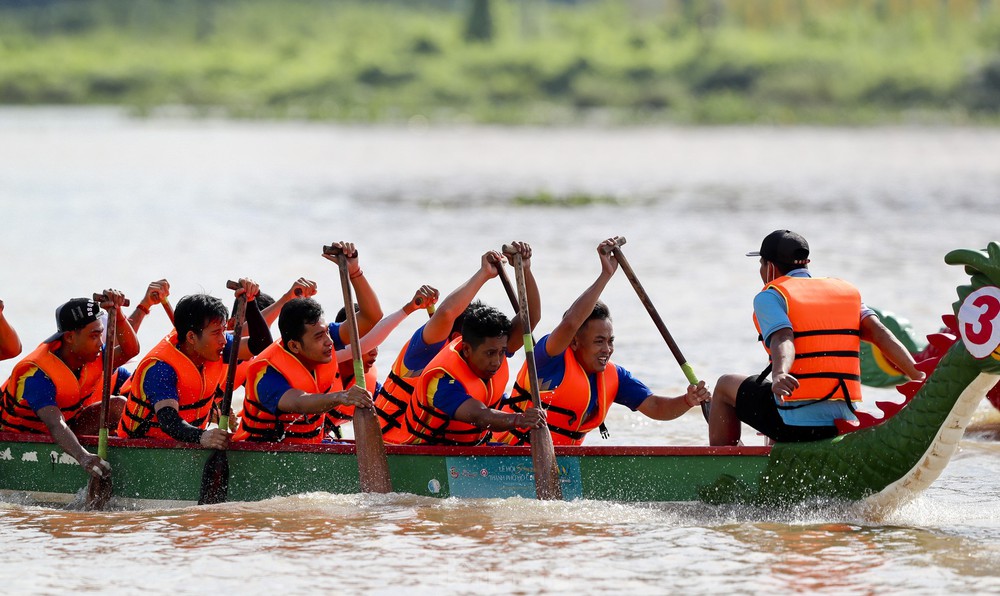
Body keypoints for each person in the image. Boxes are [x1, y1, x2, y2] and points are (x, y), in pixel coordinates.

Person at [708, 230, 925, 446]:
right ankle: (777, 452)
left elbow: (784, 338)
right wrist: (918, 375)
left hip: (793, 425)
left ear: (770, 267)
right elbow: (881, 333)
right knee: (772, 392)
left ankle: (722, 464)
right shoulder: (847, 292)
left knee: (725, 385)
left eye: (761, 265)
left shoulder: (771, 296)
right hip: (845, 421)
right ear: (805, 263)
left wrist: (780, 373)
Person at [493, 238, 710, 446]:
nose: (607, 349)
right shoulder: (548, 358)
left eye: (610, 341)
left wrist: (687, 400)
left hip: (562, 466)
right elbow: (570, 323)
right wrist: (606, 275)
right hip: (503, 454)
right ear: (575, 342)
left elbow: (655, 406)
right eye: (599, 341)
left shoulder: (614, 377)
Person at [387, 242, 546, 446]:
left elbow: (531, 316)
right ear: (467, 349)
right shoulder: (442, 379)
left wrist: (525, 269)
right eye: (490, 354)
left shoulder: (494, 346)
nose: (497, 361)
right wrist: (520, 420)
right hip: (418, 451)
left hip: (472, 449)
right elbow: (480, 416)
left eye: (501, 352)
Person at [116, 279, 271, 449]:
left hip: (187, 443)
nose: (223, 340)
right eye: (216, 333)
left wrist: (250, 301)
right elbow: (169, 420)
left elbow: (261, 344)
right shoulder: (160, 367)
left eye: (223, 330)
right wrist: (203, 436)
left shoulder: (219, 346)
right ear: (191, 337)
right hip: (143, 448)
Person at [1, 291, 139, 479]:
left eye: (101, 334)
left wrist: (119, 312)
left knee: (118, 405)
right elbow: (55, 423)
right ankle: (93, 463)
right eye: (94, 336)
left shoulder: (94, 354)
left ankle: (132, 463)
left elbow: (131, 350)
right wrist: (83, 457)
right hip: (20, 438)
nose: (101, 342)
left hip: (66, 430)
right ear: (69, 337)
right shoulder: (37, 374)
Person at [377, 251, 511, 441]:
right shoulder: (423, 351)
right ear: (460, 340)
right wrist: (484, 274)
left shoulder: (481, 360)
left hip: (450, 444)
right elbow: (446, 313)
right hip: (394, 441)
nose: (495, 359)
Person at [233, 297, 375, 443]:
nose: (329, 341)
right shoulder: (267, 375)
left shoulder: (318, 337)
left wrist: (355, 274)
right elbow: (298, 402)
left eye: (326, 332)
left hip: (311, 446)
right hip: (266, 451)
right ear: (295, 346)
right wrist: (341, 397)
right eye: (320, 336)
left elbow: (371, 316)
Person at [324, 285, 438, 437]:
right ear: (345, 341)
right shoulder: (323, 363)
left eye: (376, 344)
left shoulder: (371, 387)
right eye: (369, 343)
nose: (374, 350)